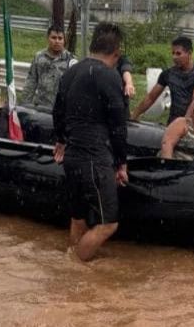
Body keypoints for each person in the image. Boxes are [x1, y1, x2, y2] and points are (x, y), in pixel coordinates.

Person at [52, 22, 128, 262]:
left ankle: (70, 262)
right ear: (116, 53)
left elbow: (57, 112)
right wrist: (121, 163)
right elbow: (118, 125)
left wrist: (62, 141)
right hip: (95, 158)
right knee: (108, 224)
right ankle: (74, 267)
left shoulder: (71, 72)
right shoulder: (109, 75)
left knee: (78, 217)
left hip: (72, 156)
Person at [131, 36, 194, 124]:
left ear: (189, 53)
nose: (174, 57)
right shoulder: (167, 74)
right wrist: (134, 115)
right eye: (173, 53)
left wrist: (185, 123)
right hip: (173, 122)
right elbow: (151, 97)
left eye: (178, 53)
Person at [22, 25, 77, 109]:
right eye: (54, 38)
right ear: (48, 38)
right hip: (41, 106)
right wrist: (24, 105)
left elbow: (75, 88)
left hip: (61, 109)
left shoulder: (71, 60)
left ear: (64, 40)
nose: (57, 41)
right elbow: (31, 81)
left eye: (60, 38)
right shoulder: (39, 57)